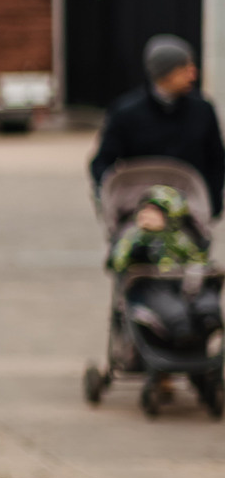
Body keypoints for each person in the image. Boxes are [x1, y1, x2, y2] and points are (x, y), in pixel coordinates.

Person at [91, 34, 225, 214]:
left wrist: (211, 203)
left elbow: (217, 160)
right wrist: (116, 197)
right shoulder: (126, 112)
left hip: (191, 210)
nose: (193, 74)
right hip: (141, 210)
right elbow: (102, 162)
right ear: (165, 73)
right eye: (185, 67)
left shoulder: (203, 111)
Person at [108, 185, 221, 354]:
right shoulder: (134, 237)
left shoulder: (180, 239)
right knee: (167, 305)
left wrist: (199, 268)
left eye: (155, 212)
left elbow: (195, 257)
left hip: (181, 282)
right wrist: (138, 247)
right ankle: (180, 326)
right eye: (144, 210)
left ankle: (208, 316)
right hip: (150, 286)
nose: (146, 215)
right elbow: (117, 262)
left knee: (203, 294)